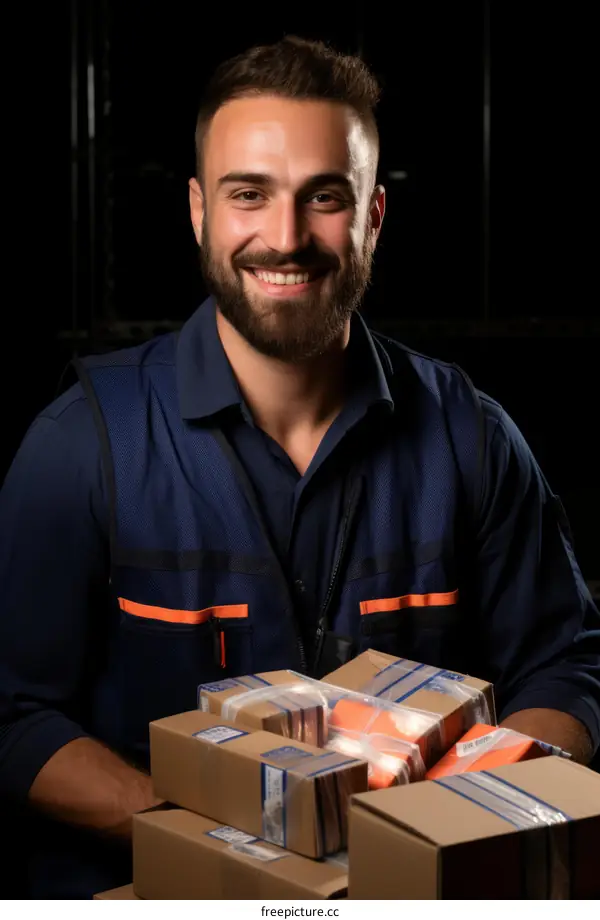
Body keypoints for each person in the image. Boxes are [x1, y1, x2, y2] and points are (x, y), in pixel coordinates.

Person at [1, 35, 599, 899]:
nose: (285, 239)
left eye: (324, 197)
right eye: (251, 195)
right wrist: (222, 856)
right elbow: (15, 716)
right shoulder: (81, 447)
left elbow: (564, 669)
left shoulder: (471, 438)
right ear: (202, 212)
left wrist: (453, 828)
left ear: (372, 218)